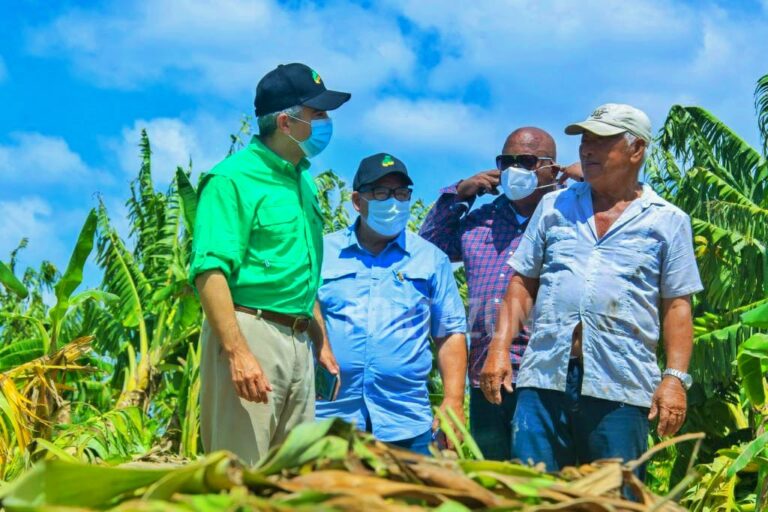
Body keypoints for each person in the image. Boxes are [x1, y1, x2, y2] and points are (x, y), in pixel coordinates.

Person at [481, 104, 702, 474]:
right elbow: (523, 282)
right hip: (545, 377)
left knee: (615, 497)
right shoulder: (553, 206)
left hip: (621, 384)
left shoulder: (667, 220)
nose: (587, 149)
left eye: (601, 141)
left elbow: (677, 306)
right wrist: (499, 347)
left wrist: (674, 379)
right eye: (585, 141)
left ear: (637, 149)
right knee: (537, 492)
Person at [189, 63, 350, 465]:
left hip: (297, 340)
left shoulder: (303, 180)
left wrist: (320, 339)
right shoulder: (232, 180)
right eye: (318, 114)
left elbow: (298, 271)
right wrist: (238, 353)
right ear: (286, 121)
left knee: (290, 483)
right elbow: (210, 273)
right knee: (241, 475)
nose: (327, 123)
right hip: (251, 332)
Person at [420, 127, 577, 460]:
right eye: (507, 161)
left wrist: (589, 181)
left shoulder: (569, 213)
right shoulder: (481, 221)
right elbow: (430, 248)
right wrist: (460, 194)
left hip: (545, 372)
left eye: (527, 161)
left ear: (552, 167)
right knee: (494, 477)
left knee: (543, 478)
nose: (515, 169)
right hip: (485, 373)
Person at [316, 153, 468, 454]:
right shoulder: (322, 252)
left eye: (401, 194)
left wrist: (453, 399)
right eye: (381, 193)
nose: (393, 203)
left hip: (406, 423)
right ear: (358, 201)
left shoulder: (431, 259)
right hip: (328, 420)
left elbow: (450, 333)